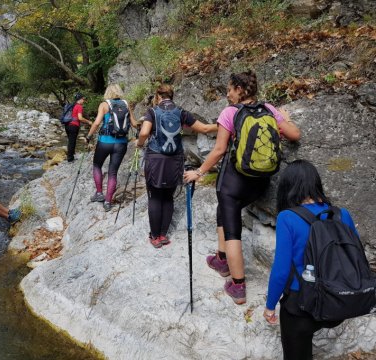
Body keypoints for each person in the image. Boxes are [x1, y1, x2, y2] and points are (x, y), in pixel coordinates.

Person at [183, 70, 301, 304]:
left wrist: (198, 172)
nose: (228, 94)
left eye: (229, 89)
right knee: (224, 213)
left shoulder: (230, 113)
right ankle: (220, 256)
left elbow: (219, 150)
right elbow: (294, 134)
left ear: (239, 89)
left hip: (233, 182)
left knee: (232, 229)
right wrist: (284, 119)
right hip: (260, 182)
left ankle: (237, 285)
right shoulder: (269, 109)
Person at [263, 160, 358, 360]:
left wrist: (270, 305)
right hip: (339, 303)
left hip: (302, 307)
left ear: (288, 186)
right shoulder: (342, 214)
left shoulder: (287, 218)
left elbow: (281, 271)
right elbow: (357, 259)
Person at [137, 84, 218, 248]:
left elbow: (144, 132)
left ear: (158, 96)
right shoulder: (181, 112)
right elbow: (203, 128)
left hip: (156, 158)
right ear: (171, 96)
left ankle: (155, 237)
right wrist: (224, 123)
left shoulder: (152, 112)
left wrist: (139, 144)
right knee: (168, 196)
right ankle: (163, 235)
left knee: (155, 196)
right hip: (175, 159)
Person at [85, 84, 138, 211]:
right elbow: (135, 124)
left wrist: (88, 136)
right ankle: (108, 202)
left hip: (104, 142)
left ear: (107, 92)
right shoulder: (126, 104)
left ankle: (99, 193)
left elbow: (97, 123)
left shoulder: (104, 105)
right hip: (121, 144)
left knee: (97, 165)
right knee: (113, 172)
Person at [66, 93, 93, 162]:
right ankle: (70, 159)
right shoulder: (79, 106)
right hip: (74, 125)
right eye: (83, 99)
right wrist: (89, 122)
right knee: (72, 142)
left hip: (67, 125)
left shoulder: (72, 106)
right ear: (80, 99)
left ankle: (70, 156)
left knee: (70, 141)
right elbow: (80, 118)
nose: (84, 100)